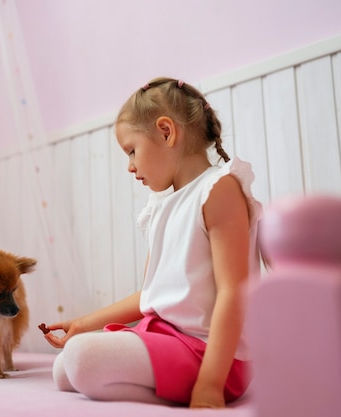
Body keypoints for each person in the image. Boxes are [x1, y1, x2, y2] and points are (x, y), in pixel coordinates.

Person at [42, 77, 262, 408]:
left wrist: (211, 383)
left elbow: (234, 292)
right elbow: (151, 295)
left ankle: (192, 386)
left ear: (166, 132)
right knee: (64, 370)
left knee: (81, 360)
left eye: (132, 151)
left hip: (214, 355)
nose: (130, 166)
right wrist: (84, 322)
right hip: (169, 340)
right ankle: (165, 390)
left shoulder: (218, 189)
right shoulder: (159, 207)